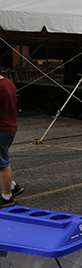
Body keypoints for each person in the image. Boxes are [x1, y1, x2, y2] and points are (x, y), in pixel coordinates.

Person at [0, 74, 22, 207]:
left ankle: (7, 197)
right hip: (9, 127)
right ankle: (13, 186)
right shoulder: (8, 82)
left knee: (2, 165)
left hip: (1, 129)